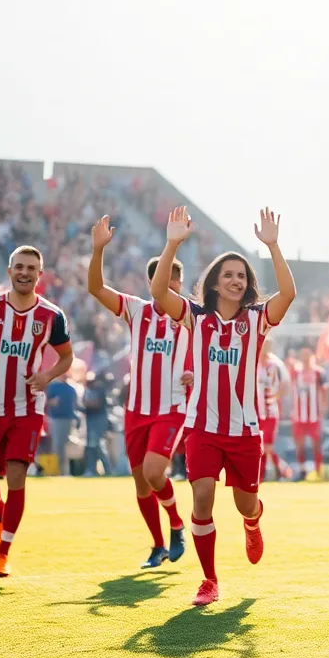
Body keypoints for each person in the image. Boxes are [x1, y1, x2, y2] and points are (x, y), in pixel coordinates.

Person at [149, 205, 296, 607]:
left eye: (242, 275)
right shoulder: (195, 317)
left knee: (245, 504)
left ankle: (253, 521)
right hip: (201, 428)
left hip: (245, 431)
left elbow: (288, 294)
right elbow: (160, 292)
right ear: (213, 282)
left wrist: (273, 246)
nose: (235, 280)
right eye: (227, 274)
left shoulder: (256, 320)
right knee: (201, 500)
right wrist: (173, 242)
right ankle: (209, 580)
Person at [0, 245, 74, 578]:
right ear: (10, 271)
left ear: (39, 274)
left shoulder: (52, 316)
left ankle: (2, 553)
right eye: (19, 266)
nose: (25, 272)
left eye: (31, 268)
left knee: (17, 474)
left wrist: (47, 375)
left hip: (27, 408)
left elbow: (66, 357)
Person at [86, 215, 188, 568]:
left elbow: (210, 357)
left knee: (154, 472)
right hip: (137, 409)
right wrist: (98, 250)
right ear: (152, 282)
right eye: (165, 277)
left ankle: (176, 524)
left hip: (172, 407)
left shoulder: (190, 316)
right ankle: (158, 546)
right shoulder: (136, 310)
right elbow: (97, 288)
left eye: (176, 277)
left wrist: (194, 376)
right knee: (141, 483)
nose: (172, 284)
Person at [290, 347, 327, 479]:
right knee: (299, 445)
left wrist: (324, 406)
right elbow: (291, 389)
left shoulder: (318, 372)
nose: (305, 357)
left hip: (314, 415)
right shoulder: (295, 371)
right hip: (299, 415)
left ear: (311, 355)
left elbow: (324, 390)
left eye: (307, 354)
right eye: (302, 354)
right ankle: (302, 470)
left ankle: (318, 471)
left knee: (316, 444)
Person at [256, 342, 291, 481]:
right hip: (255, 412)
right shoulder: (253, 362)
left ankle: (283, 470)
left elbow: (286, 385)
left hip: (270, 411)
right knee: (258, 445)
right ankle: (260, 476)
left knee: (267, 446)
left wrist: (274, 396)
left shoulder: (276, 365)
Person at [45, 373, 78, 476]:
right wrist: (52, 402)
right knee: (57, 445)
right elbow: (45, 402)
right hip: (55, 418)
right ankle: (58, 471)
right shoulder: (53, 387)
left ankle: (63, 471)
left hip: (67, 419)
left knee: (61, 445)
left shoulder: (71, 388)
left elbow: (74, 404)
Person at [81, 372, 110, 476]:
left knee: (98, 446)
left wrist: (88, 403)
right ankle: (91, 470)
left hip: (98, 420)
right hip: (90, 420)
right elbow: (84, 402)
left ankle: (107, 470)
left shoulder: (100, 389)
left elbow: (97, 404)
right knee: (90, 446)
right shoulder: (87, 389)